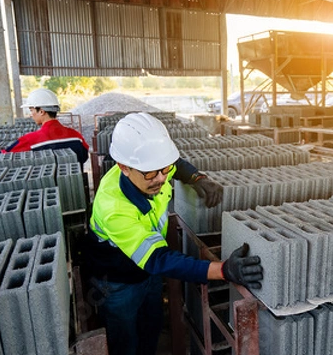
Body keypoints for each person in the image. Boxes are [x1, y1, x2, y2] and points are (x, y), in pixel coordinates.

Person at [83, 112, 263, 355]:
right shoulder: (113, 208)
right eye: (150, 173)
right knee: (125, 340)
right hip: (117, 282)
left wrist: (197, 178)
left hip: (149, 274)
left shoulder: (153, 169)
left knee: (152, 326)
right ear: (123, 167)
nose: (161, 179)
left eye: (164, 169)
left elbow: (174, 165)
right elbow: (159, 259)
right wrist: (223, 270)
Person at [0, 88, 90, 166]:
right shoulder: (76, 135)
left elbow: (0, 158)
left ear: (41, 111)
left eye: (32, 110)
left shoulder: (30, 140)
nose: (30, 114)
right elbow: (84, 156)